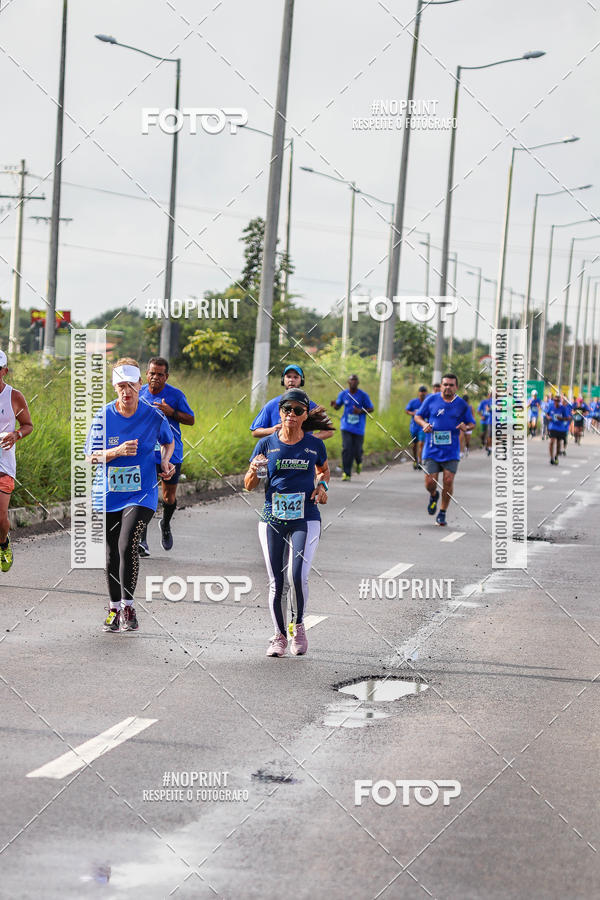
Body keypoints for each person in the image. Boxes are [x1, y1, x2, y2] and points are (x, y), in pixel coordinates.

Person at [85, 358, 174, 633]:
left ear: (140, 385)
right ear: (115, 388)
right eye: (121, 386)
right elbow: (91, 457)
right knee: (111, 552)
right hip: (108, 494)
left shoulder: (153, 415)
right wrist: (116, 452)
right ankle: (114, 609)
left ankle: (128, 607)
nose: (127, 392)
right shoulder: (103, 417)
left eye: (131, 386)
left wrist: (166, 462)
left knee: (127, 545)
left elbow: (168, 442)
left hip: (142, 493)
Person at [244, 390, 332, 657]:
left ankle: (299, 626)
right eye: (286, 409)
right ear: (279, 413)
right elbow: (249, 486)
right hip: (272, 517)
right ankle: (279, 636)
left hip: (306, 517)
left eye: (297, 410)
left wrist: (322, 487)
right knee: (276, 580)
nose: (291, 414)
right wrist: (253, 470)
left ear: (305, 415)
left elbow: (323, 470)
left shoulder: (314, 445)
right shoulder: (266, 445)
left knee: (298, 575)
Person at [138, 357, 195, 555]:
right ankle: (141, 540)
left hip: (171, 452)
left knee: (168, 497)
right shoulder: (139, 393)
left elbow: (191, 419)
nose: (155, 378)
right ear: (147, 374)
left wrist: (171, 412)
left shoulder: (176, 395)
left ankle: (166, 523)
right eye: (152, 373)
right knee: (144, 493)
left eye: (160, 374)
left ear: (166, 376)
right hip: (145, 451)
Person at [414, 373, 475, 527]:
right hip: (432, 449)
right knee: (430, 483)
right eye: (445, 384)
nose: (448, 387)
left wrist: (466, 427)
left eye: (451, 385)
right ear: (441, 386)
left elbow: (471, 423)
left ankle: (442, 512)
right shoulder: (431, 400)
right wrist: (424, 425)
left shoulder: (461, 404)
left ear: (456, 387)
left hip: (451, 450)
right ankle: (434, 495)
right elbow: (418, 416)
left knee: (448, 480)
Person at [0, 350, 33, 572]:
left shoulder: (14, 396)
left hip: (4, 466)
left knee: (0, 517)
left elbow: (28, 425)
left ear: (4, 371)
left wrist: (16, 435)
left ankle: (3, 543)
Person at [250, 364, 333, 440]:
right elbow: (255, 432)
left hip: (302, 454)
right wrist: (273, 430)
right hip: (277, 453)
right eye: (288, 376)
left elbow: (329, 431)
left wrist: (306, 439)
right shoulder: (272, 404)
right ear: (283, 380)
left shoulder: (311, 405)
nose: (291, 380)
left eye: (295, 377)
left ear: (302, 380)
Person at [331, 374, 374, 480]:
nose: (353, 382)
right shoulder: (343, 394)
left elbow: (371, 408)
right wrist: (334, 405)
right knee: (347, 448)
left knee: (357, 450)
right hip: (346, 426)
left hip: (359, 428)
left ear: (358, 382)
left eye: (355, 380)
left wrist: (360, 411)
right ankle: (346, 473)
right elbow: (338, 406)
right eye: (351, 380)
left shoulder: (363, 395)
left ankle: (359, 462)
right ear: (348, 382)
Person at [405, 385, 428, 469]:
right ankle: (415, 460)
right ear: (418, 393)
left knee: (421, 443)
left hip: (423, 426)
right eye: (421, 392)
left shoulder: (427, 402)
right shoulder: (413, 402)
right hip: (414, 426)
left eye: (424, 392)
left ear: (426, 393)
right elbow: (407, 410)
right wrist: (413, 413)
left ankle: (420, 461)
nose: (422, 394)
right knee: (414, 445)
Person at [545, 395, 571, 465]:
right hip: (552, 427)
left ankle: (556, 456)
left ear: (559, 401)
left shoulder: (562, 408)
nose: (556, 402)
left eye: (558, 401)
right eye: (555, 400)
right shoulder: (551, 406)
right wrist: (548, 418)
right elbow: (546, 414)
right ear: (553, 401)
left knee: (558, 443)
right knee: (551, 442)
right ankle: (551, 458)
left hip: (560, 428)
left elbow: (567, 418)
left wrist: (561, 419)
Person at [477, 391, 492, 455]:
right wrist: (482, 416)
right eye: (490, 395)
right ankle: (483, 442)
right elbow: (478, 411)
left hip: (490, 420)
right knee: (483, 433)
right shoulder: (483, 402)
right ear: (487, 395)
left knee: (489, 434)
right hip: (484, 420)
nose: (491, 396)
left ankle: (488, 446)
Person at [460, 393, 474, 458]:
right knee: (461, 438)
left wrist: (471, 424)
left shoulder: (470, 407)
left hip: (468, 425)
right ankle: (461, 452)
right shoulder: (460, 407)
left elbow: (472, 417)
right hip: (462, 425)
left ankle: (467, 448)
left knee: (467, 440)